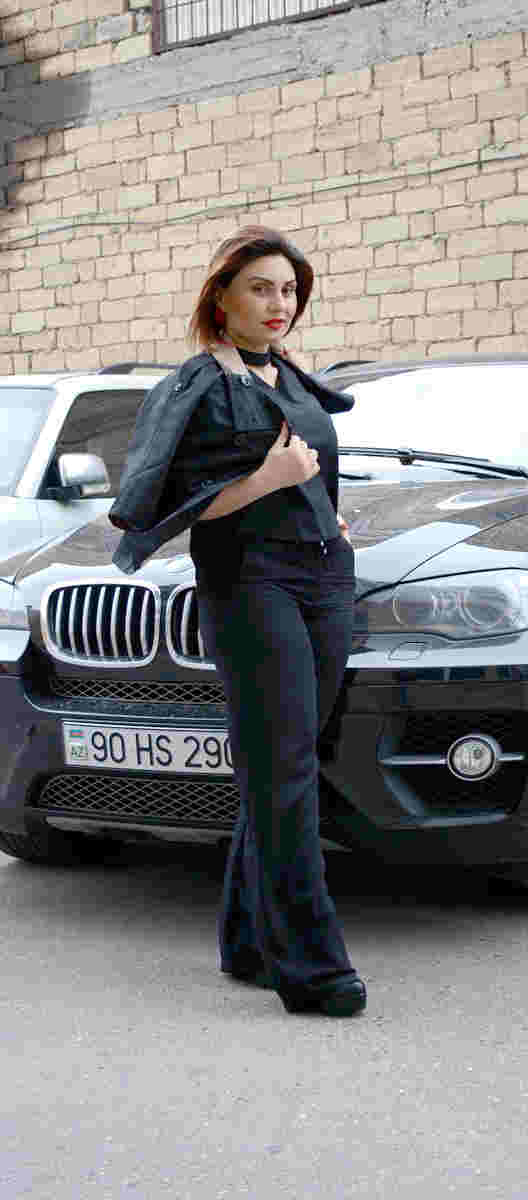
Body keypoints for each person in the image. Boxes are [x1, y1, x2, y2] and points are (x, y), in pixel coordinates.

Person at [109, 226, 366, 1017]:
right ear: (221, 298)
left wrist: (326, 514)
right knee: (284, 772)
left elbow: (315, 464)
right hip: (250, 581)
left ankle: (250, 940)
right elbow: (168, 508)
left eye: (288, 290)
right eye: (260, 288)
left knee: (285, 762)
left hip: (324, 575)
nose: (278, 303)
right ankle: (314, 970)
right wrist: (269, 479)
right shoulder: (195, 385)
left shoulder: (289, 375)